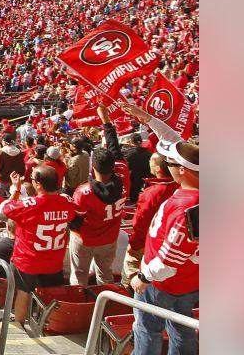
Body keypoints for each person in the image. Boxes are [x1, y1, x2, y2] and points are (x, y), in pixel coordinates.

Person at [128, 106, 199, 355]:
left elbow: (170, 259)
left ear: (182, 170)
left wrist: (144, 277)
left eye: (169, 163)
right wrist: (150, 120)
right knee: (181, 328)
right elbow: (178, 144)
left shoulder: (187, 207)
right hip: (187, 279)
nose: (167, 166)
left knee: (147, 330)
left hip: (164, 281)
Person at [0, 166, 80, 327]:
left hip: (27, 259)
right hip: (53, 259)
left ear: (39, 184)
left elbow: (1, 212)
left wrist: (16, 190)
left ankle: (20, 325)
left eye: (32, 179)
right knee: (49, 294)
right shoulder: (67, 202)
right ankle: (48, 324)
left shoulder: (29, 204)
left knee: (23, 293)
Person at [67, 147, 125, 285]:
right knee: (105, 274)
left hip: (85, 239)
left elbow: (75, 221)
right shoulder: (125, 183)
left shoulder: (83, 192)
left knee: (79, 275)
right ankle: (107, 304)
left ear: (93, 166)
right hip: (110, 237)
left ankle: (81, 305)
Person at [124, 153, 178, 285]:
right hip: (170, 244)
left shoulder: (152, 193)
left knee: (130, 278)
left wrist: (134, 245)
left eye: (151, 161)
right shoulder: (180, 186)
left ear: (158, 168)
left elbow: (141, 223)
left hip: (150, 245)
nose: (148, 162)